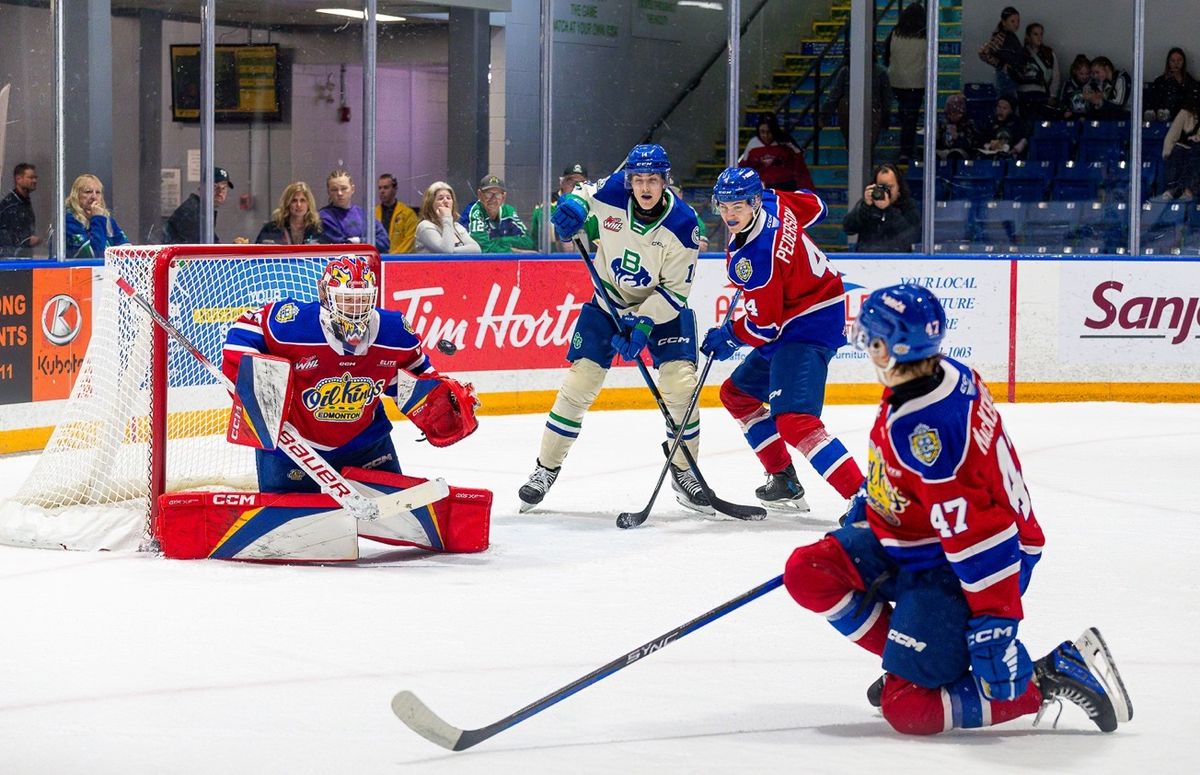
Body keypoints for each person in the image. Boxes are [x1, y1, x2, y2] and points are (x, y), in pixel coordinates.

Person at [781, 283, 1133, 736]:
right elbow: (917, 481)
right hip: (922, 540)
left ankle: (1049, 674)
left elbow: (980, 534)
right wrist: (875, 503)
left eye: (872, 340)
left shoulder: (926, 430)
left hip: (970, 564)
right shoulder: (941, 374)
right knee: (810, 570)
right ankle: (917, 659)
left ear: (893, 347)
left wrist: (995, 619)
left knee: (909, 709)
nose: (866, 348)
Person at [517, 144, 710, 514]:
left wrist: (641, 327)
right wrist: (573, 207)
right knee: (579, 383)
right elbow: (583, 192)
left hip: (662, 311)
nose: (645, 187)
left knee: (681, 389)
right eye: (638, 179)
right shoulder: (613, 191)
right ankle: (545, 469)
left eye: (653, 180)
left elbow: (674, 290)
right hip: (607, 304)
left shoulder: (684, 224)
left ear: (665, 181)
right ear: (629, 180)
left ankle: (685, 473)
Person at [703, 167, 864, 511]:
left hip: (810, 323)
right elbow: (817, 206)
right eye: (725, 206)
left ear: (754, 202)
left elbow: (765, 328)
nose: (730, 215)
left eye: (739, 207)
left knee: (794, 420)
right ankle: (784, 480)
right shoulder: (775, 201)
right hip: (803, 309)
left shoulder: (755, 258)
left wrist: (729, 334)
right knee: (738, 395)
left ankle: (865, 500)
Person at [221, 255, 437, 492]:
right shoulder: (293, 324)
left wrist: (438, 399)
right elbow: (241, 332)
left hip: (366, 442)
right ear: (325, 294)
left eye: (363, 300)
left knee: (393, 517)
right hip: (295, 446)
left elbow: (417, 372)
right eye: (346, 300)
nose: (355, 310)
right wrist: (256, 392)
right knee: (293, 525)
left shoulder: (394, 331)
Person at [842, 163, 920, 252]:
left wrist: (888, 210)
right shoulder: (867, 205)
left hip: (897, 260)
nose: (886, 191)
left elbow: (912, 235)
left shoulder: (908, 206)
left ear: (899, 187)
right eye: (881, 186)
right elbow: (848, 228)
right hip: (867, 260)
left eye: (889, 187)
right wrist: (865, 207)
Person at [884, 3, 927, 163]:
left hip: (896, 80)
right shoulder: (925, 35)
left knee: (905, 115)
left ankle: (905, 149)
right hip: (917, 82)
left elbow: (886, 55)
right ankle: (907, 151)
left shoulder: (895, 33)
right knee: (911, 117)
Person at [824, 57, 892, 151]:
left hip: (853, 110)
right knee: (867, 146)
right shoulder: (880, 72)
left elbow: (835, 94)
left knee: (855, 145)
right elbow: (886, 97)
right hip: (872, 110)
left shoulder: (846, 71)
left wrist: (824, 113)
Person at [737, 113, 815, 191]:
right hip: (762, 187)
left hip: (786, 187)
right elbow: (743, 167)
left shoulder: (786, 142)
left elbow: (800, 168)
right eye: (762, 132)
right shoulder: (752, 145)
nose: (766, 135)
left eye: (769, 132)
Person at [319, 169, 389, 252]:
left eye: (344, 188)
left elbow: (384, 242)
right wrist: (365, 242)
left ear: (352, 189)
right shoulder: (324, 216)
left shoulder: (364, 215)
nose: (340, 193)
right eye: (334, 190)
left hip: (366, 263)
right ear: (328, 192)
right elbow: (341, 246)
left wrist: (359, 241)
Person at [464, 175, 537, 253]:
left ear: (503, 197)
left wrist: (502, 241)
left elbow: (528, 242)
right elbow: (483, 248)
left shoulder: (508, 211)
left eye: (498, 194)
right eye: (488, 193)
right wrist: (514, 251)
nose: (493, 198)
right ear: (480, 195)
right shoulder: (474, 211)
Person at [530, 163, 597, 249]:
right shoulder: (546, 205)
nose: (575, 186)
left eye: (581, 183)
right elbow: (549, 238)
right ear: (562, 183)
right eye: (570, 181)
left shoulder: (595, 207)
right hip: (553, 260)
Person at [64, 174, 130, 258]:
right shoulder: (68, 221)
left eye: (98, 192)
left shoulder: (106, 219)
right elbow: (95, 255)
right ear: (76, 195)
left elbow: (127, 250)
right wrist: (97, 218)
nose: (94, 197)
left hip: (107, 271)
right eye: (88, 192)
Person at [166, 166, 233, 243]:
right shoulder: (191, 212)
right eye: (214, 187)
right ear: (201, 189)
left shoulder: (201, 210)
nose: (220, 192)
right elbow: (204, 249)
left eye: (224, 188)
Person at [413, 181, 482, 254]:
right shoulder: (425, 226)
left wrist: (452, 251)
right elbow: (446, 252)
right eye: (440, 198)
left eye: (448, 198)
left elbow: (476, 249)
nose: (446, 201)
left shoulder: (456, 226)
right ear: (430, 204)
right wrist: (446, 218)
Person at [255, 181, 328, 245]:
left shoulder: (318, 229)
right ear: (287, 203)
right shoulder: (271, 229)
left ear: (309, 204)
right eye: (294, 201)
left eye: (302, 200)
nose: (298, 205)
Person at [1014, 23, 1060, 120]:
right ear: (1028, 36)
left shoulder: (1049, 54)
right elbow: (1014, 74)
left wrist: (1052, 95)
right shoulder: (1020, 54)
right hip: (1024, 95)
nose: (1039, 37)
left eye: (1041, 34)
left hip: (1041, 94)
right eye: (1035, 34)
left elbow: (1055, 76)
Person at [1159, 91, 1200, 201]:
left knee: (1195, 156)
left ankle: (1185, 190)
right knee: (1178, 153)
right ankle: (1176, 188)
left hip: (1196, 151)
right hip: (1183, 149)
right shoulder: (1185, 113)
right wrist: (1167, 153)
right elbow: (1172, 134)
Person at [977, 6, 1024, 100]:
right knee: (1007, 100)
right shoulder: (1001, 37)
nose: (1016, 24)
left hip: (1011, 75)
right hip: (1006, 76)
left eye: (1018, 21)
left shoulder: (1010, 35)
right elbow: (984, 53)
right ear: (1004, 22)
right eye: (1012, 21)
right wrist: (1001, 65)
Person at [1146, 47, 1197, 122]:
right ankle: (1159, 113)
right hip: (1160, 111)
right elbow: (1154, 97)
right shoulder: (1160, 81)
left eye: (1179, 60)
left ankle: (1167, 114)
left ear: (1183, 62)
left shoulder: (1189, 80)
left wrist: (1179, 81)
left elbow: (1191, 97)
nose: (1176, 63)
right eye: (1173, 61)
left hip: (1181, 114)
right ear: (1168, 62)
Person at [0, 163, 41, 254]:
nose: (34, 181)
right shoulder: (10, 205)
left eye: (35, 177)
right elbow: (4, 235)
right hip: (11, 261)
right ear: (18, 179)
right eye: (30, 177)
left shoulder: (25, 202)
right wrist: (25, 240)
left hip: (24, 257)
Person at [376, 173, 418, 253]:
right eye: (380, 188)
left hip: (399, 260)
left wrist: (392, 258)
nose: (382, 191)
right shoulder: (373, 214)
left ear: (395, 189)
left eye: (386, 187)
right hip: (378, 259)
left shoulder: (408, 214)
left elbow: (409, 242)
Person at [936, 93, 979, 161]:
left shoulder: (968, 124)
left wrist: (957, 137)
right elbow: (937, 142)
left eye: (955, 113)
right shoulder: (943, 123)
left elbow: (972, 144)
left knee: (956, 154)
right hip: (944, 152)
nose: (952, 116)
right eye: (950, 113)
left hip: (962, 156)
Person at [1058, 54, 1092, 120]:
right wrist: (1065, 110)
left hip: (1087, 119)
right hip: (1071, 118)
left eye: (1087, 74)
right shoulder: (1068, 84)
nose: (1084, 77)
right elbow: (1062, 100)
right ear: (1075, 71)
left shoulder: (1092, 85)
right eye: (1081, 74)